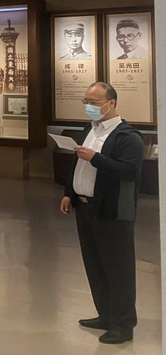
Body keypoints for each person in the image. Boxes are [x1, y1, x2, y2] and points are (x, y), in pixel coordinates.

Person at [59, 81, 144, 345]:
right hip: (85, 208)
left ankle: (123, 324)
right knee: (95, 265)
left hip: (112, 212)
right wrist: (69, 192)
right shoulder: (89, 129)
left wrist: (95, 158)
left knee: (118, 269)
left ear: (111, 103)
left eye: (94, 103)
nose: (89, 107)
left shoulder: (127, 136)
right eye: (86, 102)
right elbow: (77, 164)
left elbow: (129, 172)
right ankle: (105, 315)